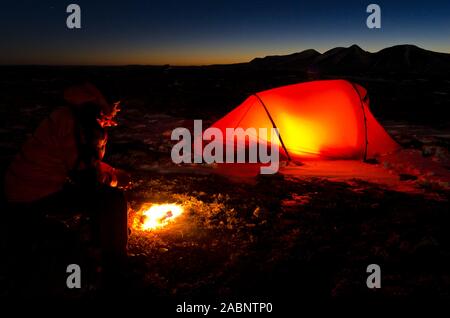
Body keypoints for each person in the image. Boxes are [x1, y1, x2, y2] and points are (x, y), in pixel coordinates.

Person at [4, 82, 131, 270]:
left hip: (20, 185)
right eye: (116, 105)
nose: (118, 110)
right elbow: (85, 176)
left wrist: (110, 171)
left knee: (99, 195)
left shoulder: (68, 115)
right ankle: (115, 264)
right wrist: (114, 179)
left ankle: (96, 242)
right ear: (103, 102)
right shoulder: (82, 126)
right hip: (33, 195)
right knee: (113, 199)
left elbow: (75, 159)